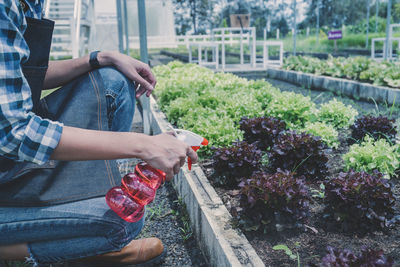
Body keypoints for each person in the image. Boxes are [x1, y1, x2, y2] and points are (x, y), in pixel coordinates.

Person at [0, 0, 197, 266]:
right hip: (10, 147)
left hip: (8, 161)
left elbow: (21, 76)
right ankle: (31, 250)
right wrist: (142, 145)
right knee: (119, 222)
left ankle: (70, 219)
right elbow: (16, 132)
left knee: (113, 81)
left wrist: (101, 57)